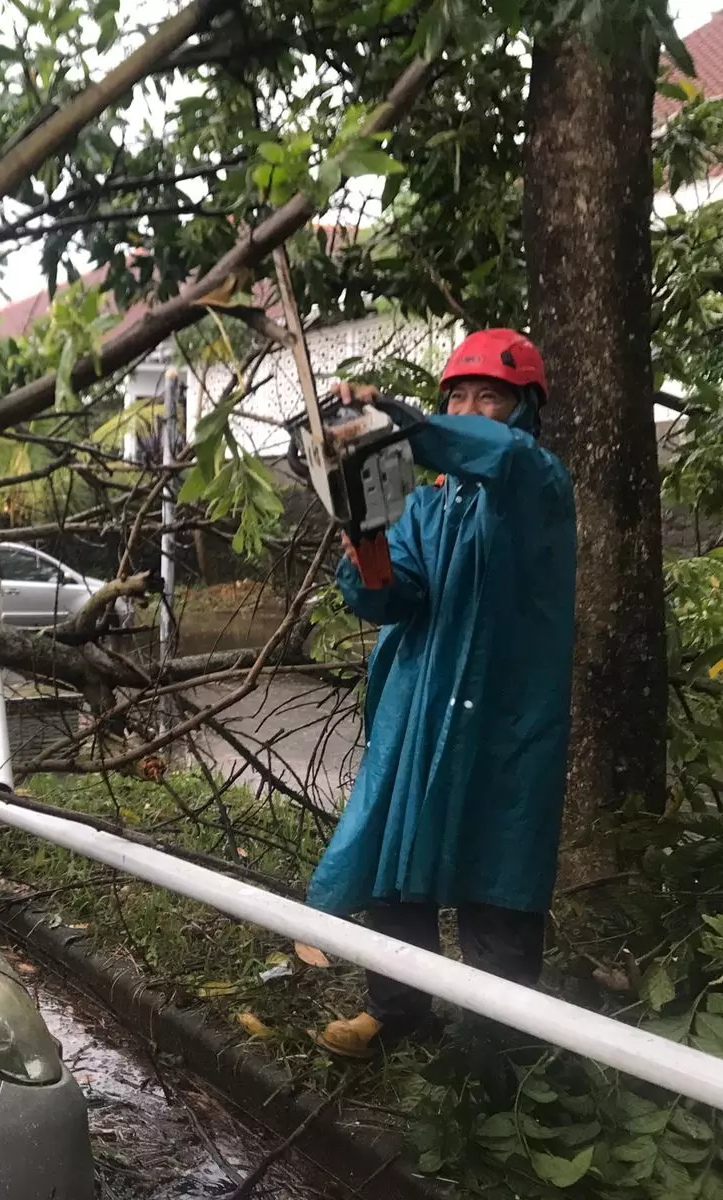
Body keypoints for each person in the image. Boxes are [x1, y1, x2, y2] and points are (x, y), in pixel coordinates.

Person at [306, 329, 577, 1059]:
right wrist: (365, 541)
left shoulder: (539, 482)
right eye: (457, 396)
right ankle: (396, 1014)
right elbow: (394, 597)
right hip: (421, 711)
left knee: (501, 873)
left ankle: (498, 1051)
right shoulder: (426, 505)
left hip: (505, 720)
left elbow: (500, 457)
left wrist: (404, 424)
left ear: (525, 409)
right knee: (397, 864)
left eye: (489, 396)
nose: (470, 409)